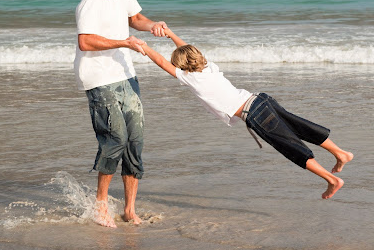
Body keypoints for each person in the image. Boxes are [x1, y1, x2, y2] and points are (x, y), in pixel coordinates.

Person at [140, 28, 354, 199]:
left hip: (254, 113)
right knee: (299, 127)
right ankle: (340, 153)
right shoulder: (209, 68)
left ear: (182, 67)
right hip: (261, 99)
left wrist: (143, 46)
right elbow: (187, 49)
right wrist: (169, 34)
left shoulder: (189, 77)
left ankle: (331, 179)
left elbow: (161, 62)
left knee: (290, 146)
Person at [74, 0, 169, 228]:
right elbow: (86, 42)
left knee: (134, 141)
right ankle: (101, 205)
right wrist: (123, 43)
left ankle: (129, 209)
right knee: (115, 138)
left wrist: (152, 26)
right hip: (98, 79)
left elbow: (134, 18)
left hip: (126, 74)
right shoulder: (90, 1)